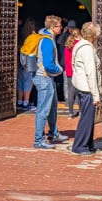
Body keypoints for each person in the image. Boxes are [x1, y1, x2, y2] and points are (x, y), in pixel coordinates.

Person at [32, 14, 68, 149]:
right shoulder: (47, 41)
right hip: (44, 77)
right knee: (43, 109)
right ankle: (38, 140)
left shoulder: (48, 38)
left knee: (52, 107)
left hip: (47, 78)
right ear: (53, 27)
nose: (61, 28)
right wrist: (60, 69)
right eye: (59, 26)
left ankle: (53, 133)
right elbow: (48, 64)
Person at [71, 22, 102, 155]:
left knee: (87, 117)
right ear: (94, 35)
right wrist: (96, 95)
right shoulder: (87, 49)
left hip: (80, 85)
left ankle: (88, 144)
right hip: (87, 88)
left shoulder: (79, 45)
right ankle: (80, 145)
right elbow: (91, 73)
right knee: (86, 118)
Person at [17, 17, 36, 111]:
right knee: (28, 82)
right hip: (29, 61)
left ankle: (19, 101)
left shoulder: (20, 34)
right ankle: (26, 102)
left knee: (20, 82)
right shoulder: (32, 38)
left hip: (20, 62)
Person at [57, 19, 77, 103]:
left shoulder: (77, 36)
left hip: (75, 63)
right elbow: (59, 42)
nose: (71, 30)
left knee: (75, 82)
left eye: (72, 28)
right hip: (65, 62)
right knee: (66, 82)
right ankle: (67, 98)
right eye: (69, 28)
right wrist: (63, 33)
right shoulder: (65, 36)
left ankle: (75, 99)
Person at [64, 27, 81, 118]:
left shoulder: (68, 45)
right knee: (80, 92)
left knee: (71, 91)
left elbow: (66, 60)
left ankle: (70, 112)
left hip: (69, 71)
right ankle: (81, 111)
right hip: (78, 71)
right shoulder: (80, 44)